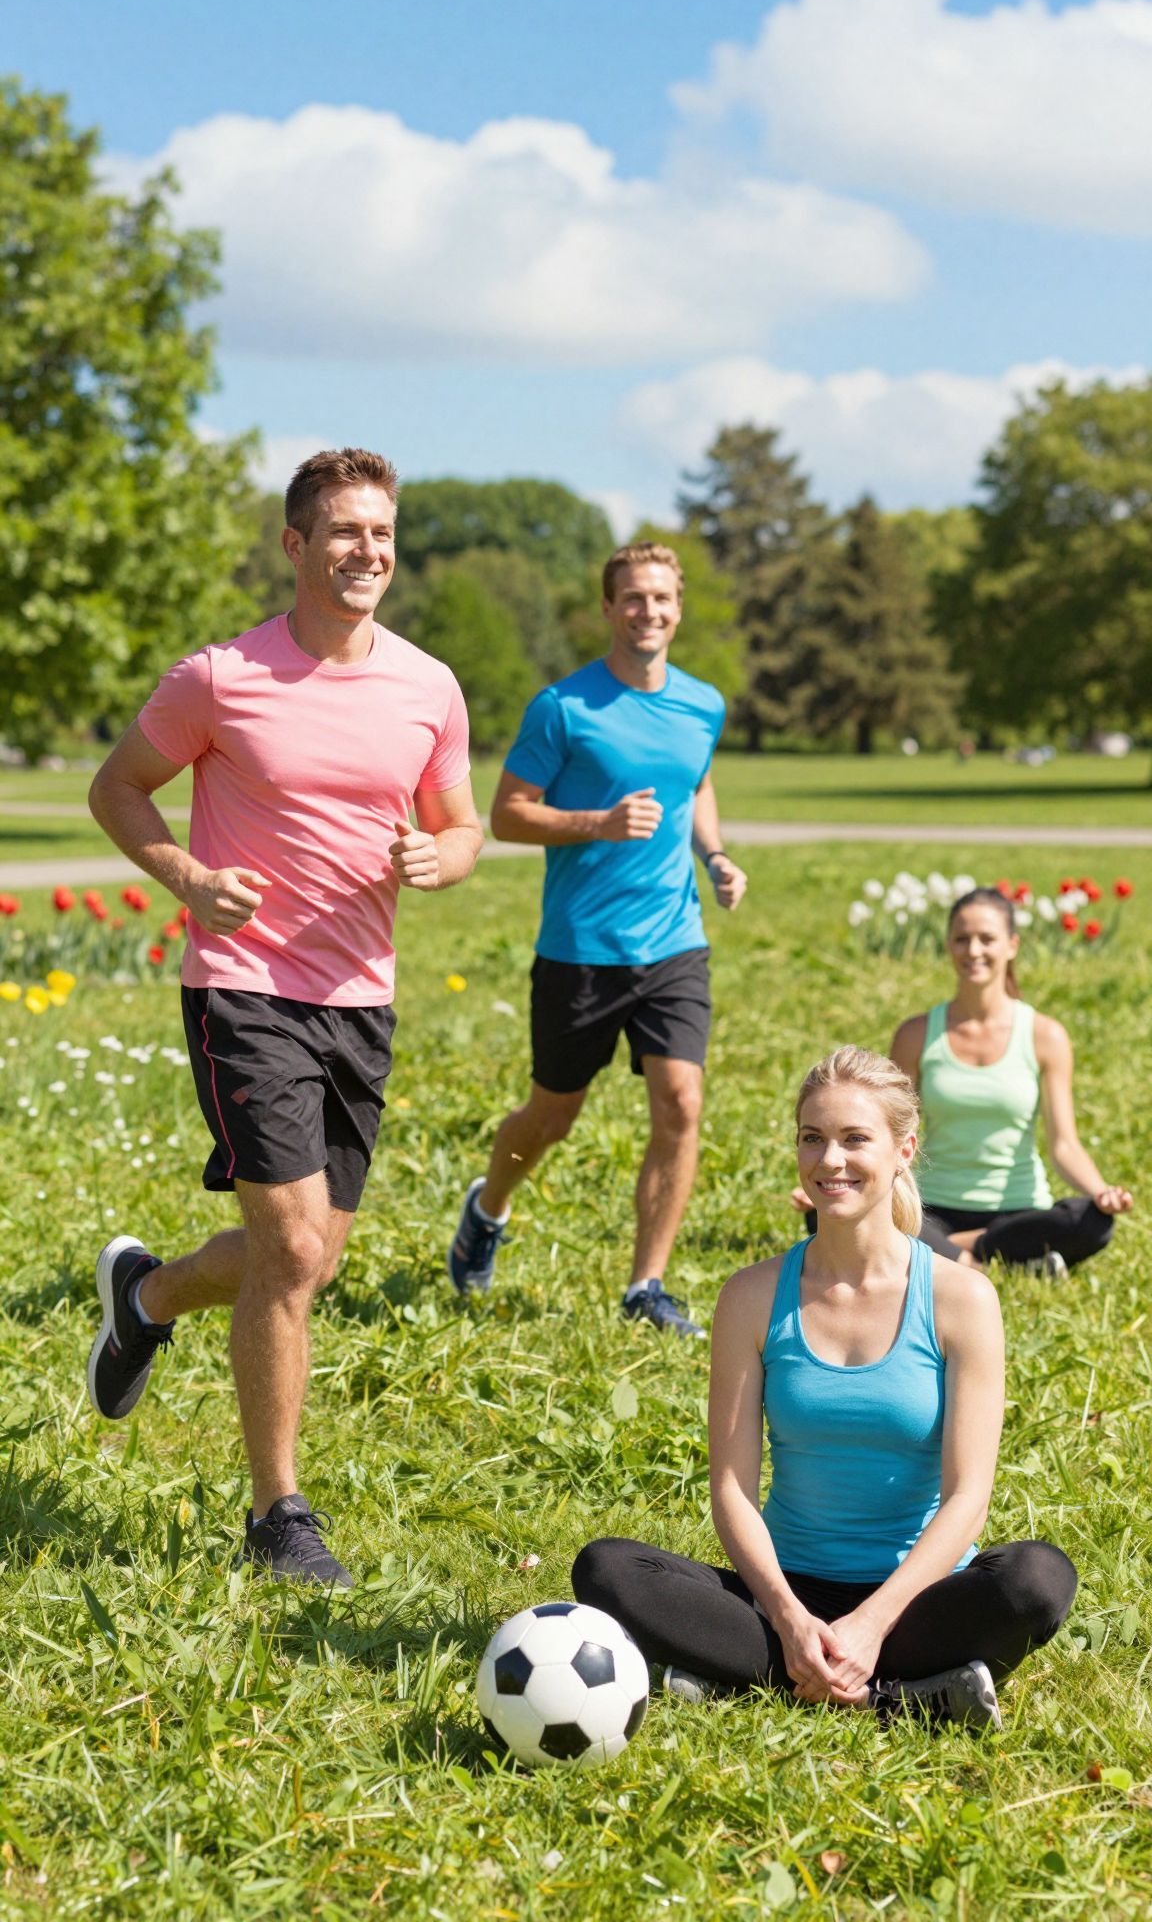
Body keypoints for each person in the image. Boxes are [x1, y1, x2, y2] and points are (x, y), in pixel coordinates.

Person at [86, 447, 483, 1585]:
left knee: (300, 1263)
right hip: (243, 981)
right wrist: (185, 876)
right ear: (296, 546)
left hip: (361, 998)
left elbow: (460, 828)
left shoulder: (429, 686)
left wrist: (439, 857)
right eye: (347, 531)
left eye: (384, 532)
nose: (371, 550)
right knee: (295, 1243)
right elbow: (118, 787)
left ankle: (148, 1293)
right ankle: (279, 1517)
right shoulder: (220, 676)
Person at [573, 1048, 1077, 1728]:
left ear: (904, 1149)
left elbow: (967, 1498)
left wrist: (872, 1623)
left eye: (854, 1139)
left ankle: (777, 1680)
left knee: (1037, 1580)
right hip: (787, 1591)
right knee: (606, 1570)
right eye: (812, 1138)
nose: (829, 1161)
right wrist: (786, 1614)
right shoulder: (750, 1297)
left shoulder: (962, 1299)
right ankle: (899, 1693)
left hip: (920, 1597)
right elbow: (731, 1489)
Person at [446, 542, 747, 1338]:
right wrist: (598, 824)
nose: (650, 612)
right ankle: (489, 1208)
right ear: (610, 609)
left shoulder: (703, 705)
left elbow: (698, 782)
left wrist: (712, 854)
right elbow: (507, 814)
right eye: (634, 599)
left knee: (681, 1101)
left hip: (674, 941)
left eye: (662, 598)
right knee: (550, 1118)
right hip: (581, 947)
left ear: (679, 607)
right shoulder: (564, 707)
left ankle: (646, 1286)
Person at [888, 886, 1133, 1272]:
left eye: (987, 939)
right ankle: (999, 1263)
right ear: (948, 945)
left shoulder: (1044, 1035)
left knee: (1092, 1221)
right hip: (932, 1207)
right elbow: (891, 1131)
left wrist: (1101, 1193)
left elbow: (1064, 1145)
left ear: (1012, 945)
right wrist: (847, 1179)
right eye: (962, 939)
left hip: (1018, 1215)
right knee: (833, 1213)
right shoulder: (916, 1035)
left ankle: (949, 1253)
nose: (973, 951)